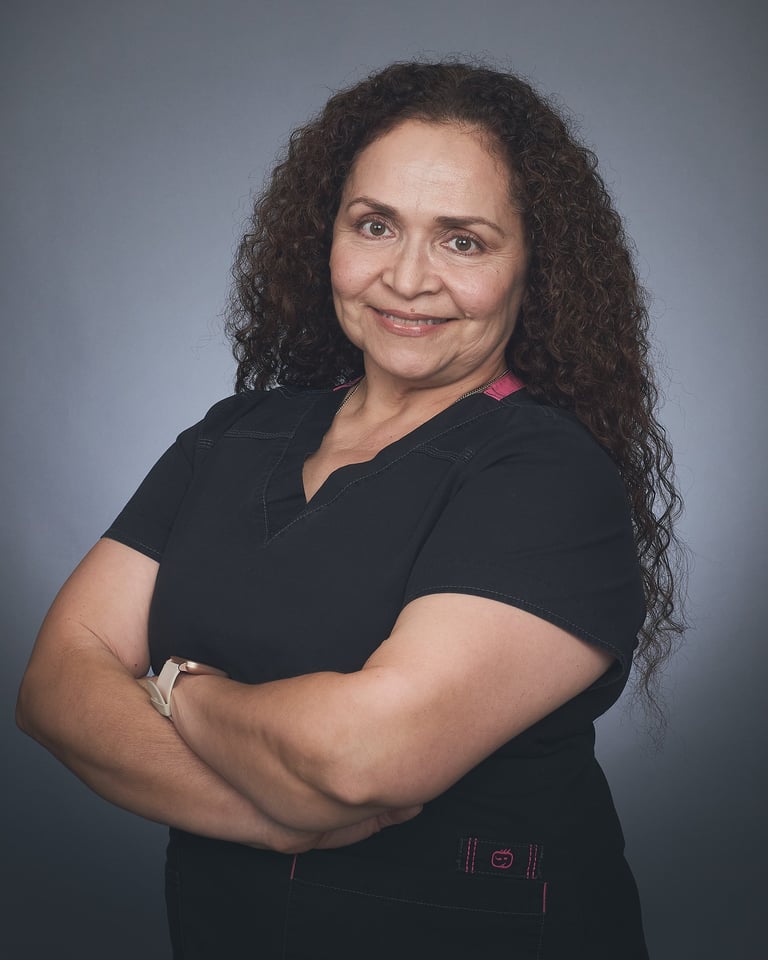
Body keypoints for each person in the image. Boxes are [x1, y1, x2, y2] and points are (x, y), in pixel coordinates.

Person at [17, 60, 685, 958]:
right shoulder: (234, 435)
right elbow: (56, 685)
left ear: (536, 268)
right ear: (324, 234)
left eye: (463, 241)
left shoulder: (548, 475)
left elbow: (366, 761)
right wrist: (268, 821)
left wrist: (180, 689)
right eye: (375, 225)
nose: (407, 278)